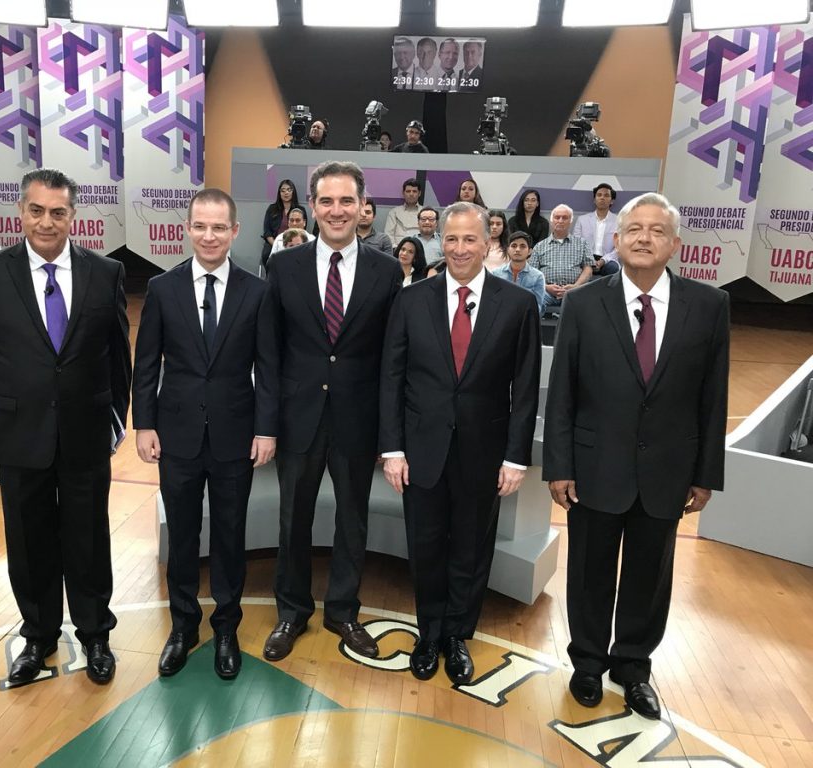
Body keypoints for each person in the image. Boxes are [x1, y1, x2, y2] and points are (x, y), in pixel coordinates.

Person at [544, 193, 729, 720]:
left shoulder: (709, 306)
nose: (644, 238)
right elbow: (563, 394)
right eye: (634, 229)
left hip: (668, 470)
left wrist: (705, 474)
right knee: (589, 571)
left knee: (650, 577)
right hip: (594, 467)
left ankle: (633, 667)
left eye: (657, 230)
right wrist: (559, 466)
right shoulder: (583, 304)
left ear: (675, 244)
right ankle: (587, 663)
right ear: (618, 240)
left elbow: (713, 397)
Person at [0, 168, 132, 687]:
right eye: (36, 211)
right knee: (28, 538)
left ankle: (95, 633)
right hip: (17, 430)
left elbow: (118, 354)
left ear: (73, 216)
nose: (46, 222)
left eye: (58, 212)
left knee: (88, 535)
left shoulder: (106, 272)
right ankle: (38, 635)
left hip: (86, 430)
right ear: (21, 212)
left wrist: (117, 417)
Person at [380, 201, 540, 684]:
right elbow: (392, 378)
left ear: (489, 243)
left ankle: (456, 636)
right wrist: (393, 450)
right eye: (451, 239)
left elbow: (525, 388)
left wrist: (515, 457)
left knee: (471, 549)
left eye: (470, 239)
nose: (460, 248)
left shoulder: (518, 305)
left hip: (484, 453)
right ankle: (429, 633)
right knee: (425, 545)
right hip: (421, 451)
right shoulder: (411, 300)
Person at [258, 160, 403, 663]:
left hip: (358, 419)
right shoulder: (283, 267)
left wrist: (390, 436)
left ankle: (343, 610)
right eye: (326, 201)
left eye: (346, 201)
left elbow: (391, 359)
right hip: (298, 416)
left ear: (363, 206)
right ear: (312, 206)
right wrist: (267, 424)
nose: (336, 210)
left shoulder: (388, 271)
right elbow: (270, 353)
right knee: (292, 520)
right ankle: (292, 611)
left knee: (352, 520)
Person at [133, 188, 277, 681]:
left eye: (219, 227)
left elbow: (268, 367)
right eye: (200, 226)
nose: (209, 236)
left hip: (237, 434)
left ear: (234, 231)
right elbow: (146, 363)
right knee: (183, 535)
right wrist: (144, 424)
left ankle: (226, 628)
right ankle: (182, 626)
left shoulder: (257, 292)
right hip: (177, 435)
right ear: (187, 229)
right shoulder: (162, 288)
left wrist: (266, 429)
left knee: (231, 536)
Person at [528, 205, 592, 310]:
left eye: (565, 218)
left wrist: (576, 286)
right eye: (557, 217)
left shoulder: (582, 244)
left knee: (589, 304)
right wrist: (546, 287)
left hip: (575, 291)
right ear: (552, 221)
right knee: (532, 302)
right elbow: (532, 273)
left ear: (570, 221)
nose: (560, 221)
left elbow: (588, 269)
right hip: (546, 292)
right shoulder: (539, 246)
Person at [492, 231, 546, 315]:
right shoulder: (495, 274)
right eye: (514, 246)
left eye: (522, 246)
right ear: (508, 249)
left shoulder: (538, 276)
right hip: (501, 318)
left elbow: (537, 306)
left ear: (530, 251)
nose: (517, 249)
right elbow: (492, 302)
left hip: (525, 318)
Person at [573, 183, 620, 276]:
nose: (602, 198)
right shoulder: (582, 220)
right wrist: (589, 260)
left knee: (613, 268)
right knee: (574, 267)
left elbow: (619, 247)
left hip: (607, 260)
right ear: (594, 200)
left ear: (612, 201)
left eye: (606, 195)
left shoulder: (619, 221)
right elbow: (576, 243)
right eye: (599, 195)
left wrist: (603, 260)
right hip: (585, 259)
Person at [262, 180, 303, 268]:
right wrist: (276, 244)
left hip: (294, 242)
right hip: (273, 242)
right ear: (279, 193)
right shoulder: (272, 209)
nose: (286, 193)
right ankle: (271, 275)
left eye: (289, 190)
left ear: (293, 192)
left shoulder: (299, 210)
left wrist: (290, 244)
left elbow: (302, 230)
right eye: (283, 190)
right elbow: (267, 232)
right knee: (266, 254)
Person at [385, 178, 423, 247]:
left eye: (414, 191)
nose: (411, 194)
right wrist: (396, 250)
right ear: (403, 193)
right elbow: (388, 235)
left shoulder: (425, 212)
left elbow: (429, 235)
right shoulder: (394, 212)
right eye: (408, 191)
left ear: (419, 193)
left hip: (419, 250)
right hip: (398, 250)